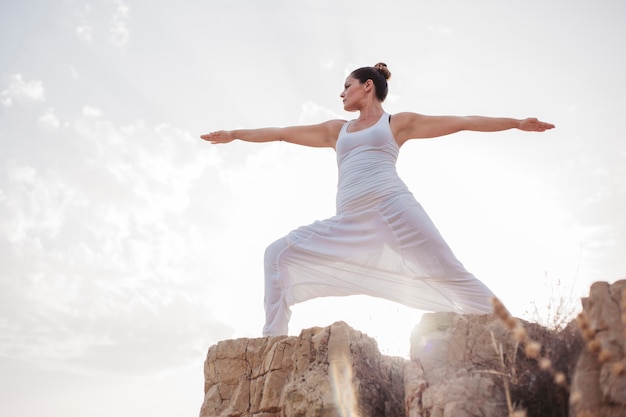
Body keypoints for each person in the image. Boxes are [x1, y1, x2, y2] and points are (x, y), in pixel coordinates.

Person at [201, 62, 555, 337]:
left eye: (347, 86)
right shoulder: (335, 130)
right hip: (350, 221)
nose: (341, 94)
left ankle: (515, 334)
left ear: (366, 86)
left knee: (452, 273)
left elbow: (462, 121)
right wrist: (234, 134)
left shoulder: (396, 123)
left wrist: (516, 123)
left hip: (396, 209)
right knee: (277, 254)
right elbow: (280, 133)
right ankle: (272, 340)